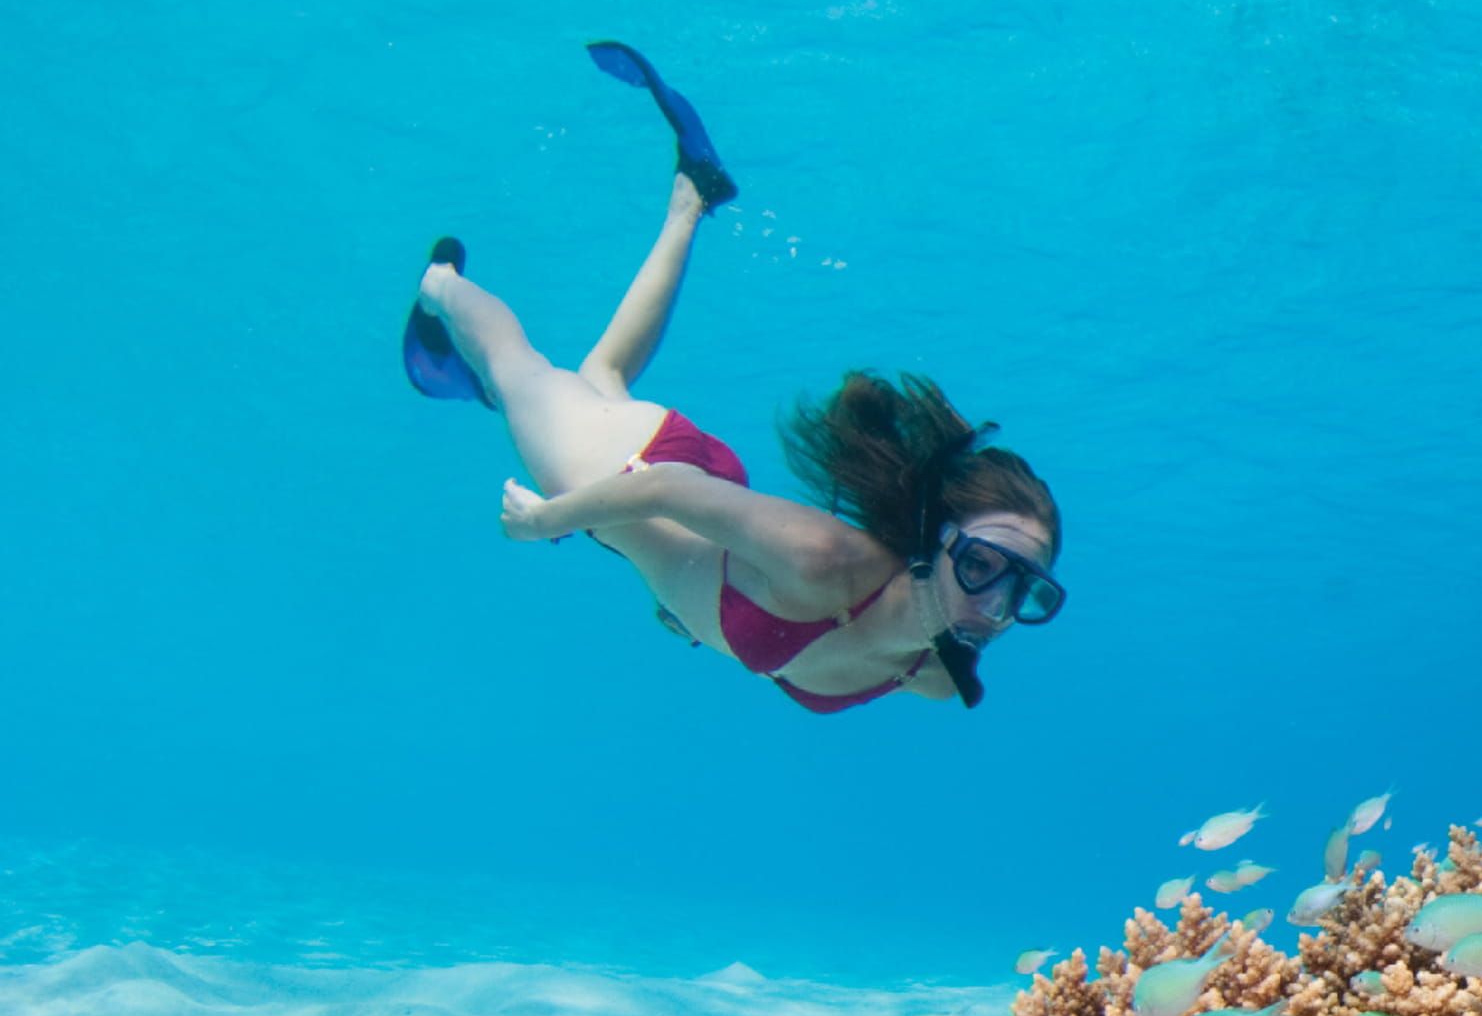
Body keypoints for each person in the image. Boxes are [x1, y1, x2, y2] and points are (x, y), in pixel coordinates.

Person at [404, 43, 1065, 712]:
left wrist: (689, 615)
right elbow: (660, 489)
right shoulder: (827, 563)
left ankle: (692, 196)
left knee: (599, 378)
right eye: (981, 566)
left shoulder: (936, 673)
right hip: (625, 471)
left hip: (700, 509)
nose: (997, 608)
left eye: (1027, 590)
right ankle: (441, 285)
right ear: (936, 541)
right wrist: (544, 520)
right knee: (520, 370)